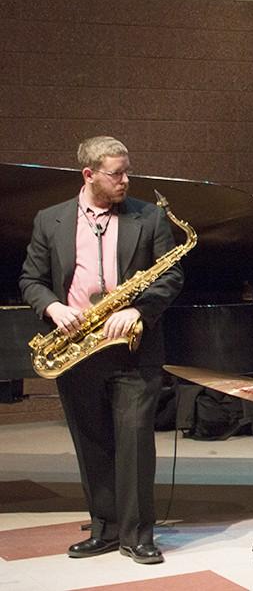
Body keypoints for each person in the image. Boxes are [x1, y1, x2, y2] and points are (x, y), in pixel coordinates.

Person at [20, 136, 184, 564]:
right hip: (78, 347)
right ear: (89, 174)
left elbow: (171, 277)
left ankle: (138, 536)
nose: (125, 180)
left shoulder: (149, 217)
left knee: (134, 444)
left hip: (133, 347)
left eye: (127, 171)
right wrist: (52, 306)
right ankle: (105, 530)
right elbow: (30, 279)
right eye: (116, 174)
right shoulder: (50, 220)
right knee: (91, 443)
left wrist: (140, 311)